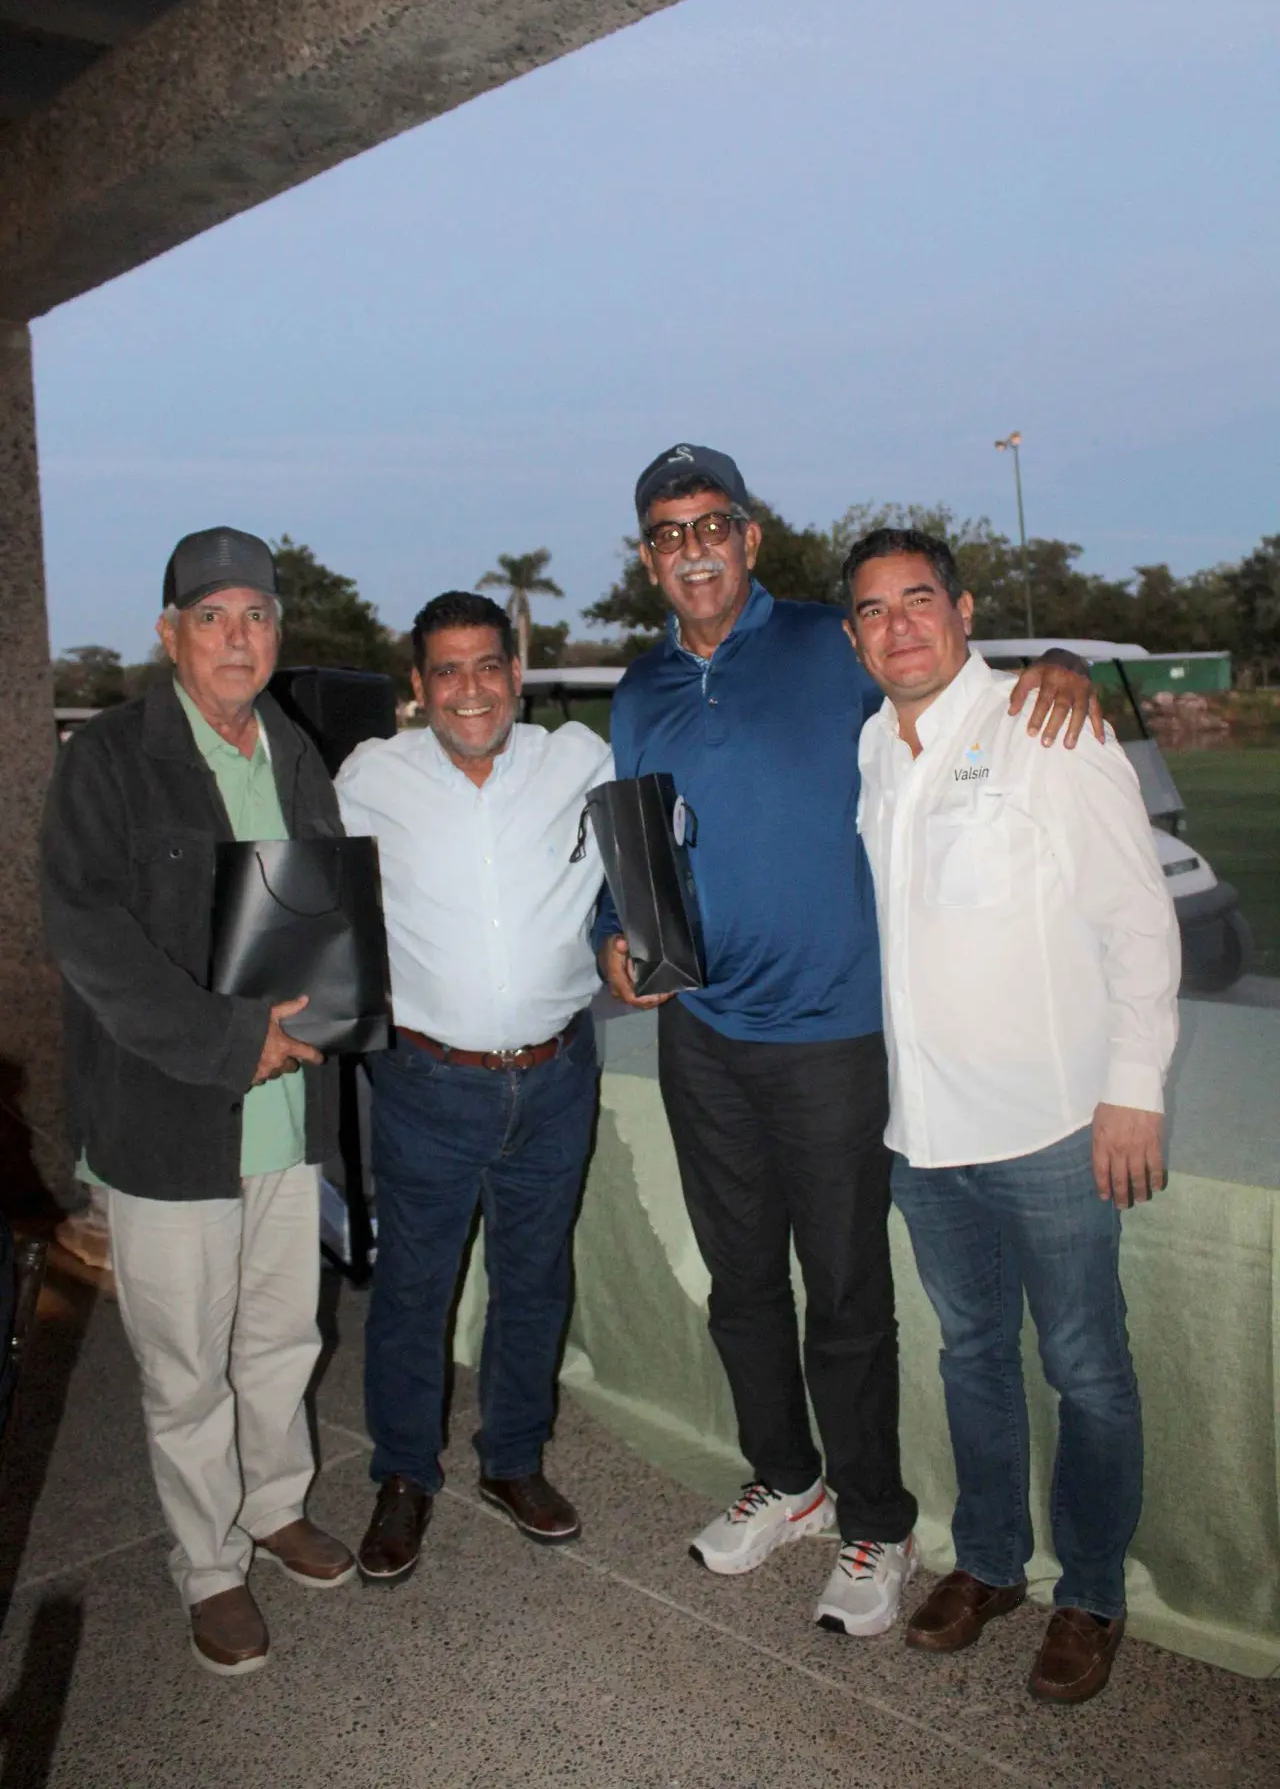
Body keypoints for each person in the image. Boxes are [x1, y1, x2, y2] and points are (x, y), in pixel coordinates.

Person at [599, 443, 1099, 1638]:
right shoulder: (640, 688)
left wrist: (1059, 666)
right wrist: (610, 934)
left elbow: (945, 671)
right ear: (647, 557)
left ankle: (875, 1520)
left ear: (748, 536)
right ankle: (788, 1480)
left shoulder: (830, 642)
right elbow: (634, 849)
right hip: (701, 1034)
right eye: (667, 533)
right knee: (738, 1286)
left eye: (710, 524)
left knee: (842, 1294)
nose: (692, 549)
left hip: (830, 1034)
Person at [845, 526, 1178, 1703]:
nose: (897, 626)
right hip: (924, 1135)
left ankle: (1088, 1595)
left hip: (1050, 1127)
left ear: (963, 610)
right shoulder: (872, 748)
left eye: (916, 599)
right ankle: (988, 1563)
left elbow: (1137, 918)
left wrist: (1132, 1087)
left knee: (1085, 1370)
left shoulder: (1046, 723)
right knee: (972, 1356)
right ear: (854, 637)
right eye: (872, 610)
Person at [40, 527, 354, 1678]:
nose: (236, 637)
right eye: (211, 617)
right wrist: (231, 1038)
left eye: (255, 616)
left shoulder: (293, 749)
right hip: (167, 1115)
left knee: (280, 1336)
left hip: (285, 1115)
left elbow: (322, 906)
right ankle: (210, 1565)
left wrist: (343, 1009)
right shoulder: (110, 757)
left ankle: (274, 1507)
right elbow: (88, 936)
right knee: (183, 1367)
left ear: (277, 632)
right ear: (169, 634)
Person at [335, 591, 611, 1587]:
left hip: (555, 1076)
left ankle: (513, 1460)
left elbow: (642, 855)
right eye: (446, 670)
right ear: (418, 686)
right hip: (427, 1085)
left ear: (515, 674)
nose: (469, 689)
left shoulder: (580, 760)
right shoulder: (370, 779)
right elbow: (312, 895)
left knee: (533, 1279)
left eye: (486, 665)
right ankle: (405, 1474)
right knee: (414, 1289)